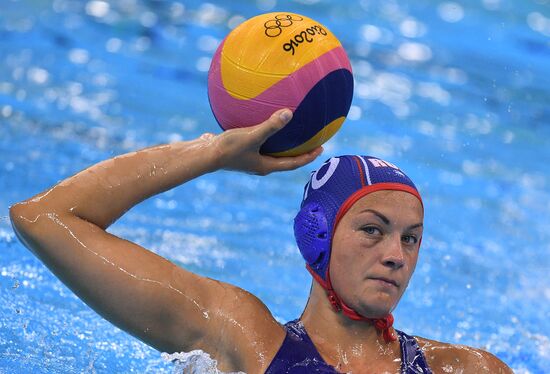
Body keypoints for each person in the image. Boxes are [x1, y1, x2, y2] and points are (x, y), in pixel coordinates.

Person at [10, 109, 512, 373]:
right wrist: (213, 152)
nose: (395, 256)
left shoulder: (467, 369)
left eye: (412, 238)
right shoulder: (242, 339)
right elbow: (45, 218)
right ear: (318, 233)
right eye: (372, 230)